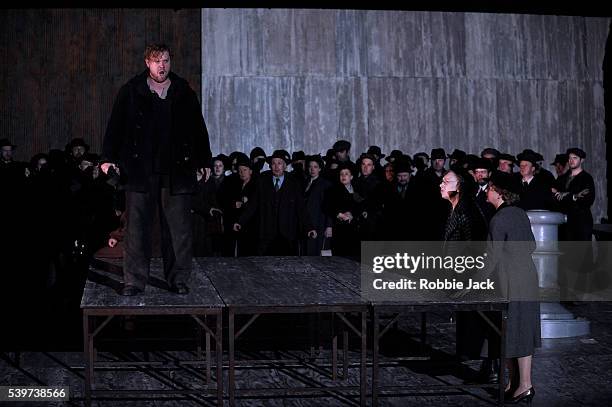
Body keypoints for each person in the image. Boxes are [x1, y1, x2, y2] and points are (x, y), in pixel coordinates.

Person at [101, 43, 212, 296]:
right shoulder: (131, 91)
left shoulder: (183, 91)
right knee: (136, 228)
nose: (162, 66)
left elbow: (198, 129)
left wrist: (204, 160)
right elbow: (115, 126)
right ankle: (134, 281)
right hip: (140, 170)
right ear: (147, 63)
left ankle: (178, 279)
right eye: (156, 61)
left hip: (176, 170)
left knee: (179, 229)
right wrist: (107, 158)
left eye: (166, 61)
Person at [485, 170, 540, 404]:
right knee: (522, 329)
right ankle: (517, 383)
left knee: (510, 329)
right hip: (527, 276)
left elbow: (492, 258)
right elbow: (531, 245)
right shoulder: (520, 213)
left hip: (509, 280)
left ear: (498, 192)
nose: (487, 191)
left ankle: (523, 385)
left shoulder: (499, 219)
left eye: (489, 188)